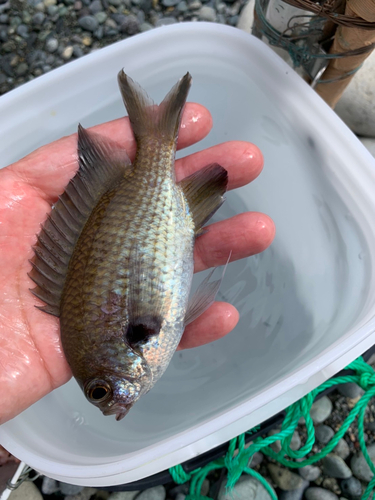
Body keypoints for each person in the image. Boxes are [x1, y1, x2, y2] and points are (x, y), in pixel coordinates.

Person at [0, 102, 275, 425]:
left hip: (150, 214)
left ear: (135, 338)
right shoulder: (99, 338)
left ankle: (156, 134)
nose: (109, 402)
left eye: (100, 391)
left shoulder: (139, 334)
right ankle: (158, 132)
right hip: (161, 217)